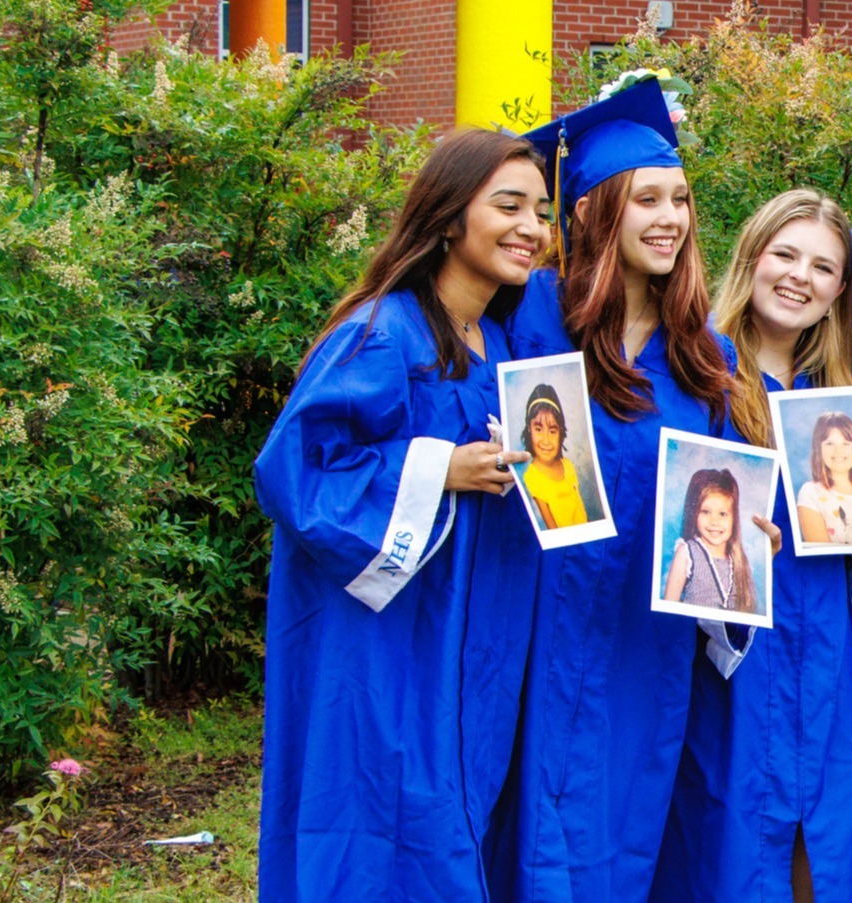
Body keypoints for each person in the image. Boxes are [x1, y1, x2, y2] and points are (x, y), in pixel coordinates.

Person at [493, 78, 773, 902]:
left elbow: (724, 498)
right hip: (536, 619)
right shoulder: (529, 314)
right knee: (522, 816)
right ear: (589, 211)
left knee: (626, 826)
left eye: (679, 199)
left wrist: (754, 538)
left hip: (644, 642)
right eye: (645, 198)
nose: (670, 218)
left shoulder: (706, 354)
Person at [253, 128, 549, 901]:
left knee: (451, 812)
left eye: (542, 212)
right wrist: (439, 468)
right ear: (449, 217)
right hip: (383, 636)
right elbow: (296, 470)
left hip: (468, 633)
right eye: (509, 205)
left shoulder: (499, 342)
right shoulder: (384, 332)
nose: (531, 227)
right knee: (376, 810)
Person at [653, 188, 852, 903]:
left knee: (821, 849)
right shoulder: (691, 373)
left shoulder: (838, 396)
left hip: (827, 650)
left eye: (824, 267)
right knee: (727, 845)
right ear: (751, 256)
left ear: (840, 289)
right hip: (728, 659)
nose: (801, 276)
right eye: (786, 254)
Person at [663, 468, 757, 613]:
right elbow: (668, 606)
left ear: (734, 519)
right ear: (694, 514)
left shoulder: (738, 560)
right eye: (705, 512)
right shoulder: (687, 553)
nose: (714, 521)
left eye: (722, 514)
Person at [797, 411, 852, 545]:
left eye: (846, 443)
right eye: (830, 444)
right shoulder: (810, 493)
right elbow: (823, 556)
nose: (838, 451)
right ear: (818, 449)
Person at [518, 383, 593, 529]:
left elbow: (580, 507)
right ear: (529, 429)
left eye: (552, 431)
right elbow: (552, 528)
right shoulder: (532, 476)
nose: (546, 440)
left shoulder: (568, 465)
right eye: (538, 429)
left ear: (560, 432)